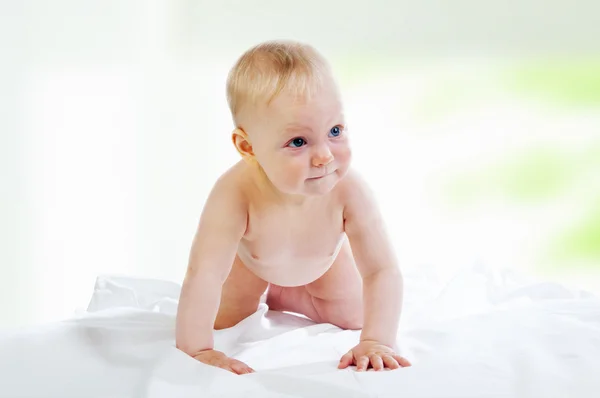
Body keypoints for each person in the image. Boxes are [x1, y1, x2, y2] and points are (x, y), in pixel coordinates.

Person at [175, 40, 411, 374]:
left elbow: (381, 270)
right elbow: (204, 274)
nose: (325, 156)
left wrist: (377, 341)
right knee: (223, 318)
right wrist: (198, 350)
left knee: (355, 316)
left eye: (335, 131)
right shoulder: (234, 194)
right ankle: (271, 289)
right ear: (248, 146)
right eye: (298, 142)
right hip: (252, 264)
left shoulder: (350, 191)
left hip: (323, 264)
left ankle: (292, 296)